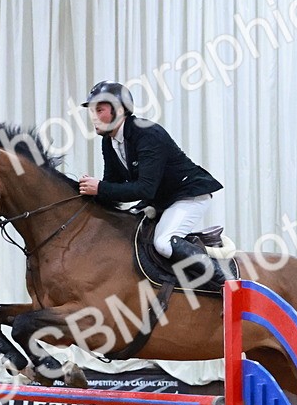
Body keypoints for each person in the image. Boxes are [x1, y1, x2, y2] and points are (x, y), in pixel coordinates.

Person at [77, 81, 227, 289]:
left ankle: (225, 280)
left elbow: (144, 189)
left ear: (119, 110)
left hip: (188, 195)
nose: (93, 116)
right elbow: (113, 184)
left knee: (163, 242)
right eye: (92, 111)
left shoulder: (147, 133)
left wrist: (100, 188)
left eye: (99, 110)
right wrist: (84, 192)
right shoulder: (109, 142)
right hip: (161, 199)